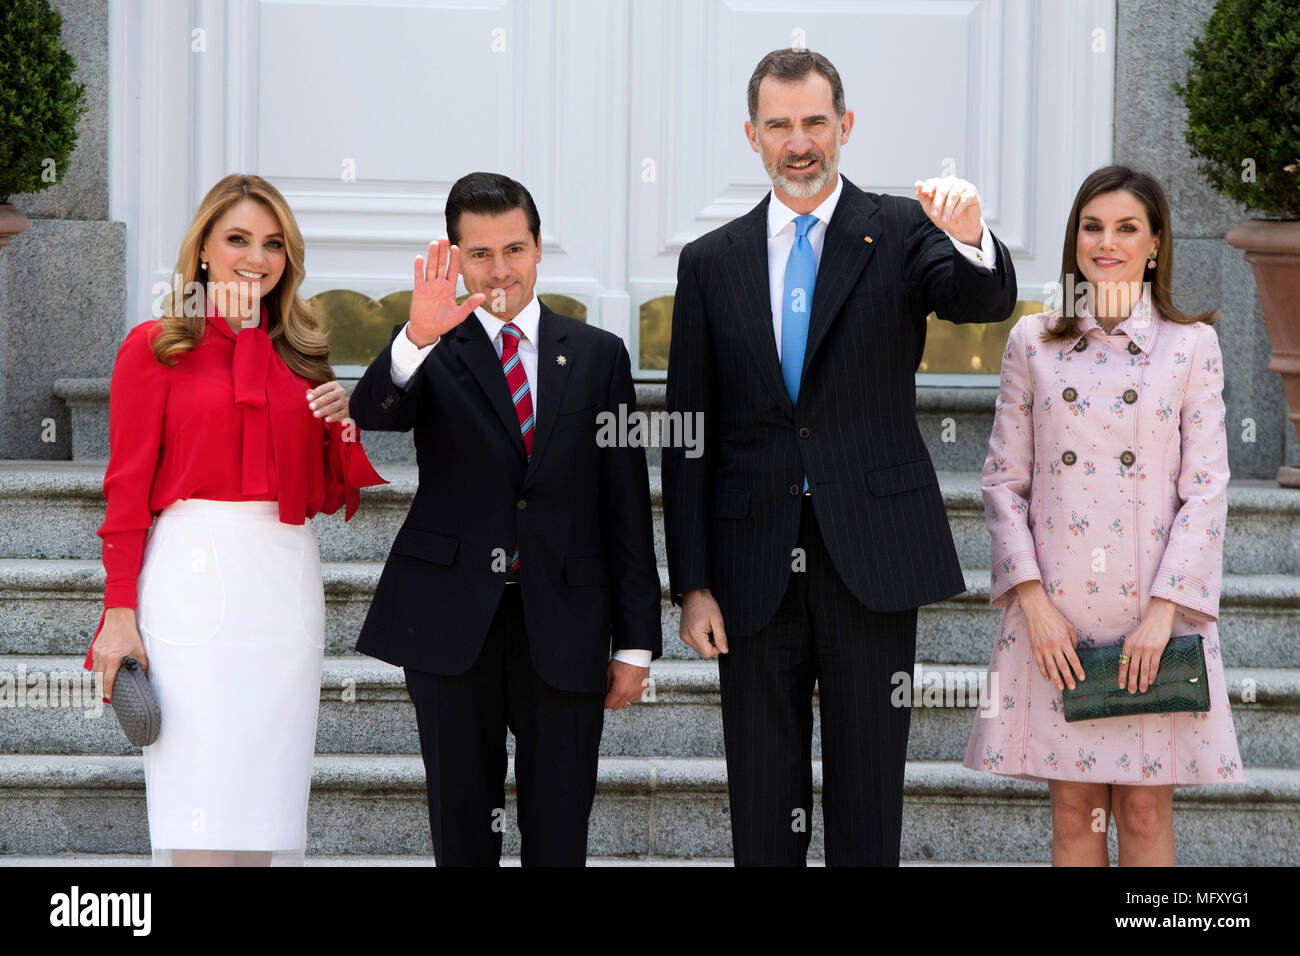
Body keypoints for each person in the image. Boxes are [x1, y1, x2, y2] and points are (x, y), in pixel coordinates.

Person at [662, 48, 1018, 866]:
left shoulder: (900, 229)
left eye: (815, 122)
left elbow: (978, 299)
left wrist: (969, 237)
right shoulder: (710, 262)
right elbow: (689, 432)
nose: (799, 142)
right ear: (751, 135)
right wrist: (693, 583)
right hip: (750, 565)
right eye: (780, 125)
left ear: (845, 126)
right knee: (760, 800)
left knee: (867, 801)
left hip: (873, 554)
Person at [349, 172, 661, 866]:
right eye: (481, 253)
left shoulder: (598, 355)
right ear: (457, 257)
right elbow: (374, 413)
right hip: (451, 622)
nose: (500, 270)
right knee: (463, 833)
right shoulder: (434, 346)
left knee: (558, 836)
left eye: (514, 249)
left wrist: (636, 641)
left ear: (540, 247)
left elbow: (625, 503)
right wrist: (415, 336)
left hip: (566, 622)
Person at [84, 174, 388, 866]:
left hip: (283, 584)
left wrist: (343, 424)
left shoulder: (302, 355)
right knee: (199, 818)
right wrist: (119, 611)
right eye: (239, 239)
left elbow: (331, 494)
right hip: (190, 578)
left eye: (274, 243)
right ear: (203, 252)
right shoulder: (155, 347)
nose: (258, 256)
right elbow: (126, 493)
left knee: (265, 824)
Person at [965, 165, 1242, 865]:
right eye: (1093, 227)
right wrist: (1032, 601)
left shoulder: (1191, 347)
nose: (1106, 242)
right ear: (1075, 239)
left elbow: (1206, 490)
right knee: (1073, 813)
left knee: (1145, 811)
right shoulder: (1033, 341)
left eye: (1126, 228)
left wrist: (1165, 611)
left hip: (1155, 612)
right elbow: (1004, 482)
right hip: (1057, 617)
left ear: (1155, 244)